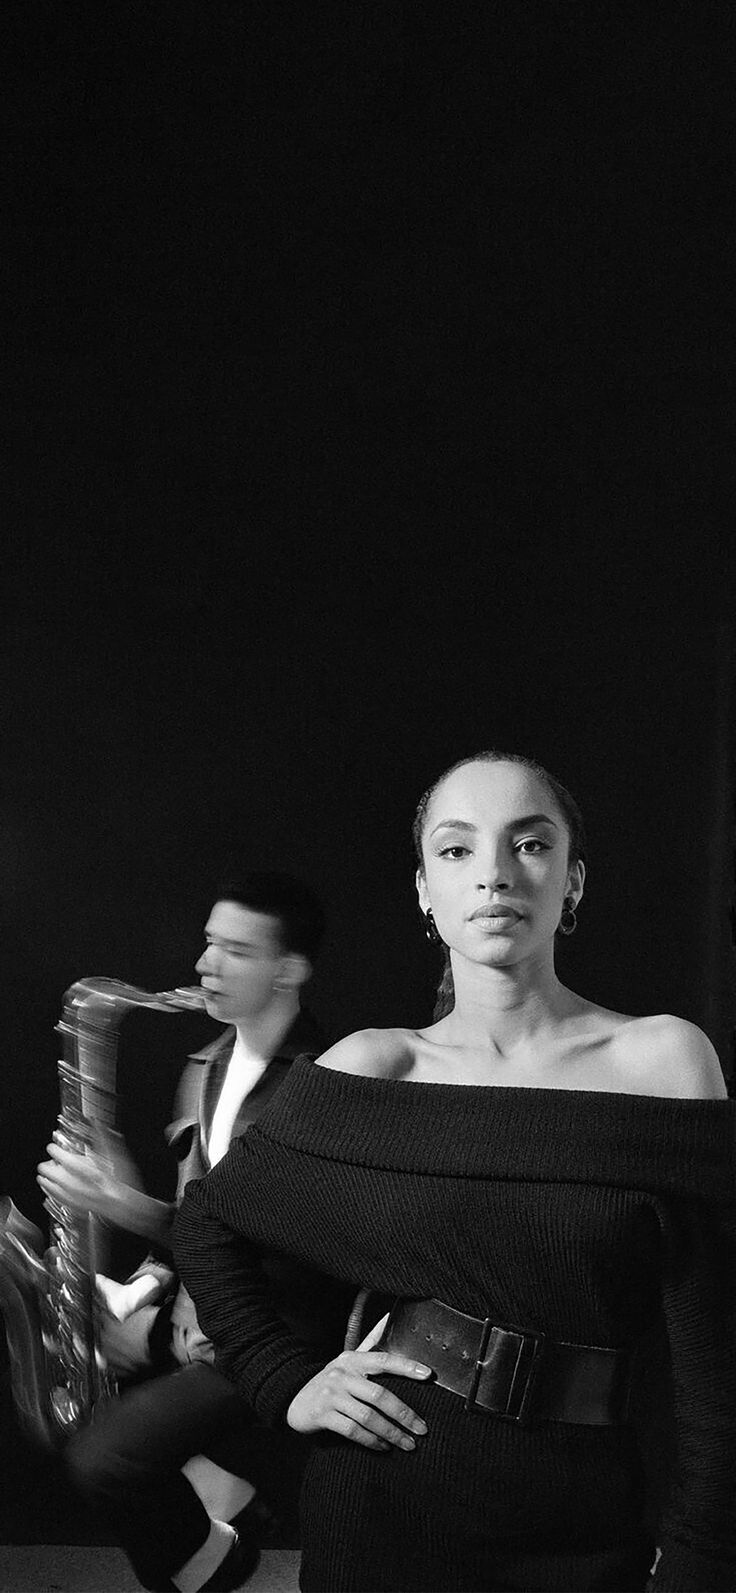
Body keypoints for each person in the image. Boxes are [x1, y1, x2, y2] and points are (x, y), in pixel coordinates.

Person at [174, 752, 736, 1593]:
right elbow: (205, 1221)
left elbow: (716, 1354)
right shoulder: (373, 1067)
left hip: (588, 1518)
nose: (496, 875)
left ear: (572, 881)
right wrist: (284, 1378)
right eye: (457, 849)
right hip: (383, 1504)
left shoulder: (663, 1060)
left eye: (531, 844)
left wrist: (702, 1557)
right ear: (424, 893)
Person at [37, 869, 354, 1593]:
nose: (205, 964)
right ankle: (222, 1499)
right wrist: (145, 1290)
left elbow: (274, 1244)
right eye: (210, 943)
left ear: (291, 969)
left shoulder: (321, 1085)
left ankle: (218, 1558)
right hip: (195, 1324)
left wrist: (122, 1203)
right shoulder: (203, 1067)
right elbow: (189, 1216)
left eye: (236, 950)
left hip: (272, 1339)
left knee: (104, 1460)